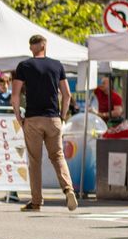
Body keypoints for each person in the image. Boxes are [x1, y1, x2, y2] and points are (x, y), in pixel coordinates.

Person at [11, 34, 78, 212]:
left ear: (31, 47)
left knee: (35, 161)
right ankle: (68, 189)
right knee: (58, 156)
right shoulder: (57, 65)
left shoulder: (24, 66)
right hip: (53, 118)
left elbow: (15, 95)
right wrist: (62, 116)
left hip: (33, 119)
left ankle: (36, 201)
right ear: (44, 45)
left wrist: (19, 116)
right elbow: (67, 94)